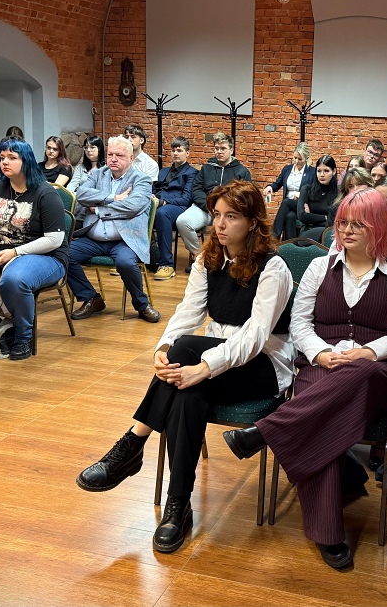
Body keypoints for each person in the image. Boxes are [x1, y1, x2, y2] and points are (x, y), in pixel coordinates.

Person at [76, 180, 294, 554]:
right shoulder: (208, 259)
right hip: (218, 361)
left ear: (252, 222)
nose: (220, 224)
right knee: (186, 390)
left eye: (232, 217)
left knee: (189, 351)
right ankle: (178, 506)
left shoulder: (273, 267)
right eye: (217, 215)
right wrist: (163, 349)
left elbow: (255, 337)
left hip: (264, 366)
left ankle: (133, 443)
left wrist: (204, 366)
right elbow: (188, 311)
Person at [222, 188, 387, 570]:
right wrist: (320, 354)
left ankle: (267, 431)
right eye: (343, 223)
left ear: (378, 227)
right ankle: (328, 531)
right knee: (323, 422)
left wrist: (369, 352)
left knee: (357, 372)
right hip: (322, 363)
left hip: (378, 372)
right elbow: (300, 324)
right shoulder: (318, 268)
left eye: (358, 224)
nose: (346, 230)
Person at [0, 138, 69, 361]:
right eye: (2, 157)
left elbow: (54, 239)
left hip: (45, 256)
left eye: (12, 158)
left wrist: (16, 252)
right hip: (0, 253)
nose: (4, 162)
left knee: (14, 280)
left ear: (26, 161)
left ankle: (22, 337)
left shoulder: (45, 193)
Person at [64, 136, 158, 323]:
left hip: (125, 240)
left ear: (131, 158)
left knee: (125, 263)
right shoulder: (97, 174)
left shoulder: (141, 179)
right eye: (110, 154)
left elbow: (132, 206)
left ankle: (142, 304)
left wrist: (98, 208)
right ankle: (91, 298)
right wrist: (113, 198)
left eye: (119, 155)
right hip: (93, 239)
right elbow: (81, 194)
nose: (113, 159)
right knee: (62, 254)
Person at [175, 132, 251, 272]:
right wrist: (209, 206)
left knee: (229, 228)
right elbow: (196, 189)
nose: (219, 152)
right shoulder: (206, 168)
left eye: (223, 148)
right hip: (205, 208)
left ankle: (226, 260)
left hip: (229, 211)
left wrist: (224, 209)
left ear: (231, 150)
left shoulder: (242, 171)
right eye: (216, 148)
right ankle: (200, 257)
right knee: (182, 222)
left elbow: (245, 195)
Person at [152, 136, 198, 281]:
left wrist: (164, 202)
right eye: (173, 150)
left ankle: (166, 265)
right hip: (159, 204)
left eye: (179, 150)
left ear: (187, 153)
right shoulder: (163, 171)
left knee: (162, 213)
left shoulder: (192, 173)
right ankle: (142, 258)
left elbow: (186, 199)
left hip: (179, 207)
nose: (175, 153)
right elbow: (155, 189)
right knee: (136, 211)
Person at [264, 142, 316, 239]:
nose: (296, 161)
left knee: (286, 202)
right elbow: (277, 184)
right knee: (289, 216)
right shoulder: (287, 169)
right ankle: (290, 244)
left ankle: (274, 236)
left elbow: (314, 192)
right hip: (289, 208)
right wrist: (270, 187)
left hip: (301, 205)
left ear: (306, 158)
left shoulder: (312, 172)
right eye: (295, 158)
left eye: (300, 159)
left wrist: (301, 194)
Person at [296, 154, 338, 241]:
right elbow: (302, 216)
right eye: (319, 171)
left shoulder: (338, 192)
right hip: (307, 231)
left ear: (334, 171)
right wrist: (325, 217)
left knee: (329, 233)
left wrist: (311, 217)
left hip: (329, 232)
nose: (322, 175)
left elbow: (335, 221)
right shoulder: (306, 189)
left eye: (326, 171)